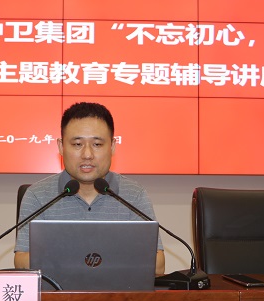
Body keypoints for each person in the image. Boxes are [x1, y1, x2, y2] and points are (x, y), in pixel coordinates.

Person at [14, 102, 165, 275]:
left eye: (97, 144)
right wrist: (96, 256)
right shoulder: (38, 195)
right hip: (59, 293)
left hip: (118, 292)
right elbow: (21, 261)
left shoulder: (134, 195)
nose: (87, 155)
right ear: (61, 147)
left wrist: (66, 255)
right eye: (77, 144)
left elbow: (158, 265)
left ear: (112, 146)